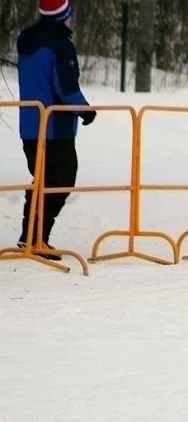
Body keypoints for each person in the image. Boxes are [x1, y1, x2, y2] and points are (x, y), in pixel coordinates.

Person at [17, 0, 95, 261]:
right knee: (61, 179)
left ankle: (30, 236)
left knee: (42, 179)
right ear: (63, 16)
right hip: (55, 126)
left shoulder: (27, 41)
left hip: (30, 125)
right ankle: (37, 237)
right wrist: (85, 110)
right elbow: (66, 88)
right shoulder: (60, 46)